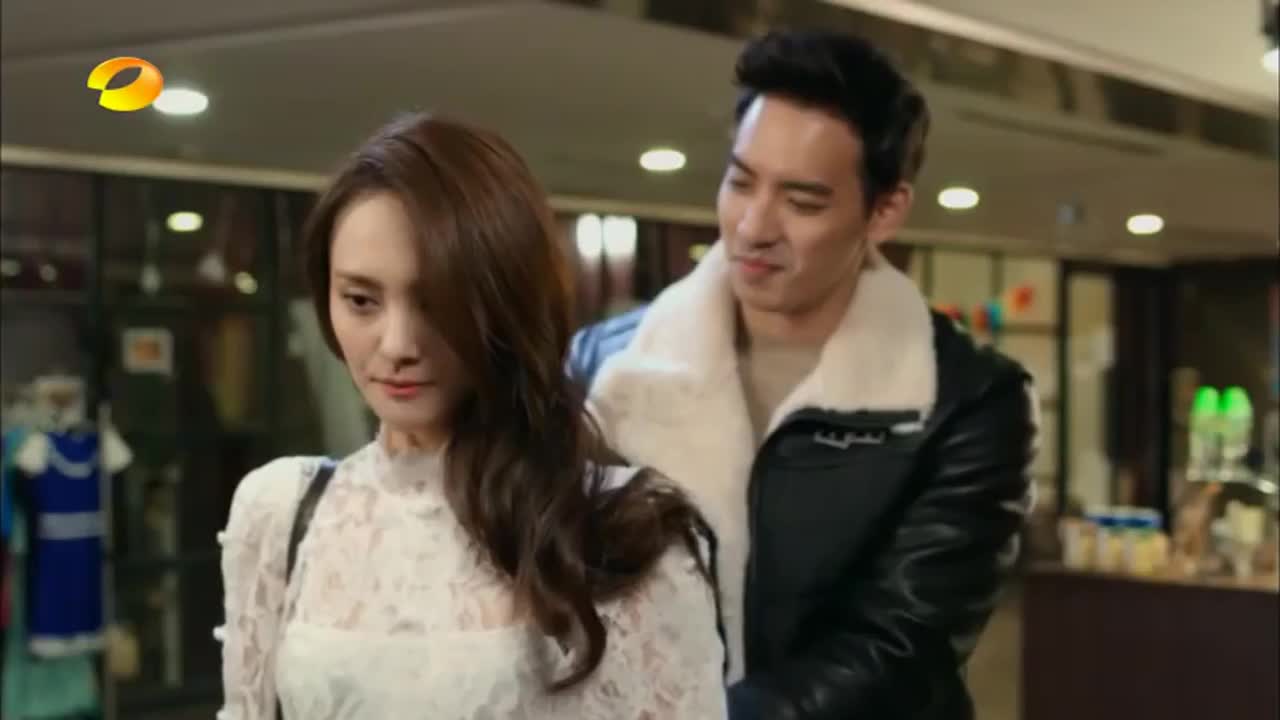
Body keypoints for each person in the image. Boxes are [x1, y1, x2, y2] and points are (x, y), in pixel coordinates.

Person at [569, 30, 1038, 720]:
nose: (753, 226)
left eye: (803, 202)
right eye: (740, 181)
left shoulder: (967, 402)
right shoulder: (604, 367)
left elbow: (898, 648)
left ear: (884, 211)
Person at [216, 113, 727, 719]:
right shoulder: (282, 511)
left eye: (437, 303)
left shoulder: (619, 528)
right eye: (361, 300)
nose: (397, 344)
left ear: (504, 302)